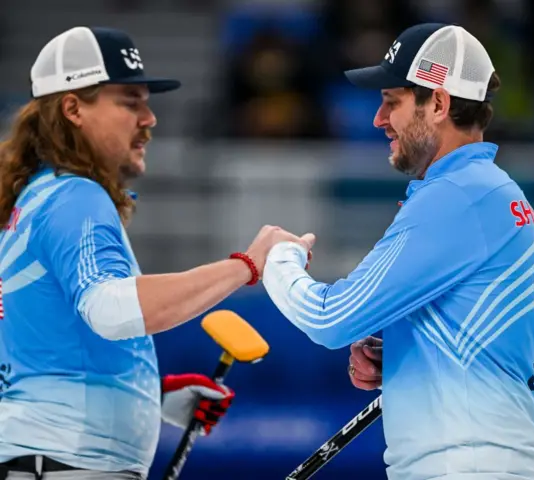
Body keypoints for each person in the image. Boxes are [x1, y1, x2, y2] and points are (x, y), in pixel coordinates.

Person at [0, 26, 309, 479]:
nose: (150, 118)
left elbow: (43, 348)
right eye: (130, 101)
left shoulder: (35, 199)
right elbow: (109, 308)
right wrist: (245, 266)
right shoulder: (75, 197)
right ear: (73, 109)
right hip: (67, 464)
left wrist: (150, 395)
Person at [262, 23, 534, 480]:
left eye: (391, 101)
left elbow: (329, 319)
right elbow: (476, 333)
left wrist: (276, 260)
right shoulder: (487, 193)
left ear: (438, 103)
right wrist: (403, 349)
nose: (378, 119)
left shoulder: (458, 196)